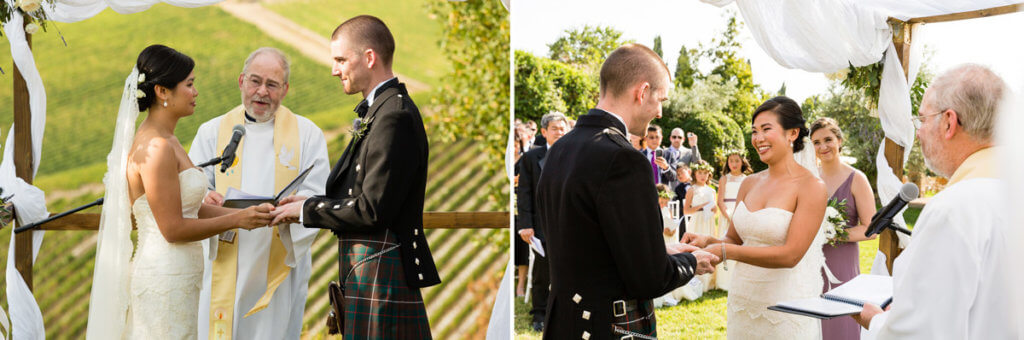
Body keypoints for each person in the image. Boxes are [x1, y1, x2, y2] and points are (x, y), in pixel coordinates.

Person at [87, 44, 274, 339]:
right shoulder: (156, 148)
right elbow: (172, 228)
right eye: (189, 84)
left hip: (180, 275)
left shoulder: (168, 140)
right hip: (164, 276)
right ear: (162, 92)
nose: (195, 92)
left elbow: (190, 208)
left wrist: (252, 213)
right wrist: (237, 220)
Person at [270, 15, 440, 338]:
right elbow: (362, 192)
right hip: (369, 268)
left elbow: (372, 209)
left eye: (340, 60)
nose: (335, 70)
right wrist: (313, 200)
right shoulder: (381, 110)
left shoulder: (394, 116)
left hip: (381, 269)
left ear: (369, 57)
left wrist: (307, 211)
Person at [536, 43, 717, 339]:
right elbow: (649, 278)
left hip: (563, 323)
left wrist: (660, 251)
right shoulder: (623, 158)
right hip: (609, 326)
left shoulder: (561, 148)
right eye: (660, 99)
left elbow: (587, 242)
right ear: (642, 91)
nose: (659, 112)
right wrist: (691, 262)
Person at [853, 64, 1020, 339]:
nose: (918, 133)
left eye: (921, 119)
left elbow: (919, 333)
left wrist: (877, 322)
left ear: (948, 122)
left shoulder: (955, 209)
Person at [188, 47, 331, 339]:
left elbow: (318, 195)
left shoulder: (308, 134)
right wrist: (205, 198)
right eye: (255, 81)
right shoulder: (212, 131)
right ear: (241, 81)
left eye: (272, 84)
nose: (261, 92)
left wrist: (298, 205)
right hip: (224, 258)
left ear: (285, 89)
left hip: (278, 261)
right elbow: (194, 186)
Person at [685, 96, 829, 339]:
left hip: (784, 306)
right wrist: (708, 241)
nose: (757, 138)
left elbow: (790, 255)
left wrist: (725, 251)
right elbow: (734, 239)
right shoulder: (749, 183)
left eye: (766, 129)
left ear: (792, 133)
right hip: (743, 300)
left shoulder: (811, 186)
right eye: (754, 131)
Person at [808, 117, 876, 340]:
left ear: (839, 140)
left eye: (828, 139)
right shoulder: (809, 179)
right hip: (811, 262)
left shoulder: (857, 179)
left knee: (841, 321)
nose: (823, 147)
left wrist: (832, 233)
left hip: (843, 262)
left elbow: (871, 228)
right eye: (816, 142)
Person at [517, 111, 570, 331]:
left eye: (563, 128)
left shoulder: (575, 155)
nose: (560, 132)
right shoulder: (531, 158)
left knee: (569, 272)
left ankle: (567, 313)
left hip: (569, 226)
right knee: (541, 272)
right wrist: (525, 225)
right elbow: (524, 193)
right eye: (555, 128)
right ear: (544, 132)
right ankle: (539, 314)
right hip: (540, 226)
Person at [714, 149, 751, 291]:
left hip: (742, 213)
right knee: (726, 245)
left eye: (737, 160)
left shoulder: (747, 179)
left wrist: (741, 215)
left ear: (742, 162)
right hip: (727, 215)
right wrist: (728, 215)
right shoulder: (724, 179)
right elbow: (720, 201)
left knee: (742, 246)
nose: (734, 164)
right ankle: (724, 281)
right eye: (731, 161)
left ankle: (742, 280)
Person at [683, 160, 718, 291]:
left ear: (709, 174)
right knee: (696, 248)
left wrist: (714, 209)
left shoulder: (711, 191)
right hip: (697, 220)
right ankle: (695, 280)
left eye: (705, 173)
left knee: (708, 247)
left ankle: (708, 280)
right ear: (695, 174)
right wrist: (701, 206)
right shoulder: (692, 189)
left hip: (708, 221)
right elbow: (686, 211)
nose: (702, 176)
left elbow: (714, 209)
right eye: (700, 173)